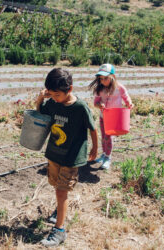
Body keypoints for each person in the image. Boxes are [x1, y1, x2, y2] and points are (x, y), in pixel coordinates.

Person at [36, 68, 98, 247]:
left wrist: (94, 147)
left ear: (69, 89)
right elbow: (41, 116)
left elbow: (92, 128)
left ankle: (59, 231)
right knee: (56, 185)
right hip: (54, 153)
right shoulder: (53, 103)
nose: (54, 98)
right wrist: (41, 99)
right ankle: (60, 210)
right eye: (51, 94)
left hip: (71, 156)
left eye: (57, 94)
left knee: (61, 191)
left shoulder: (80, 107)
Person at [89, 63, 133, 170]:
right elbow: (96, 102)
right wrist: (100, 105)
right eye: (101, 79)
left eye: (105, 78)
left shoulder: (119, 88)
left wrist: (129, 104)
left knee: (108, 137)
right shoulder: (100, 89)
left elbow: (126, 97)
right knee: (103, 137)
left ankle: (108, 157)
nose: (103, 81)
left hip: (115, 117)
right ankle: (104, 154)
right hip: (103, 117)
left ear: (112, 77)